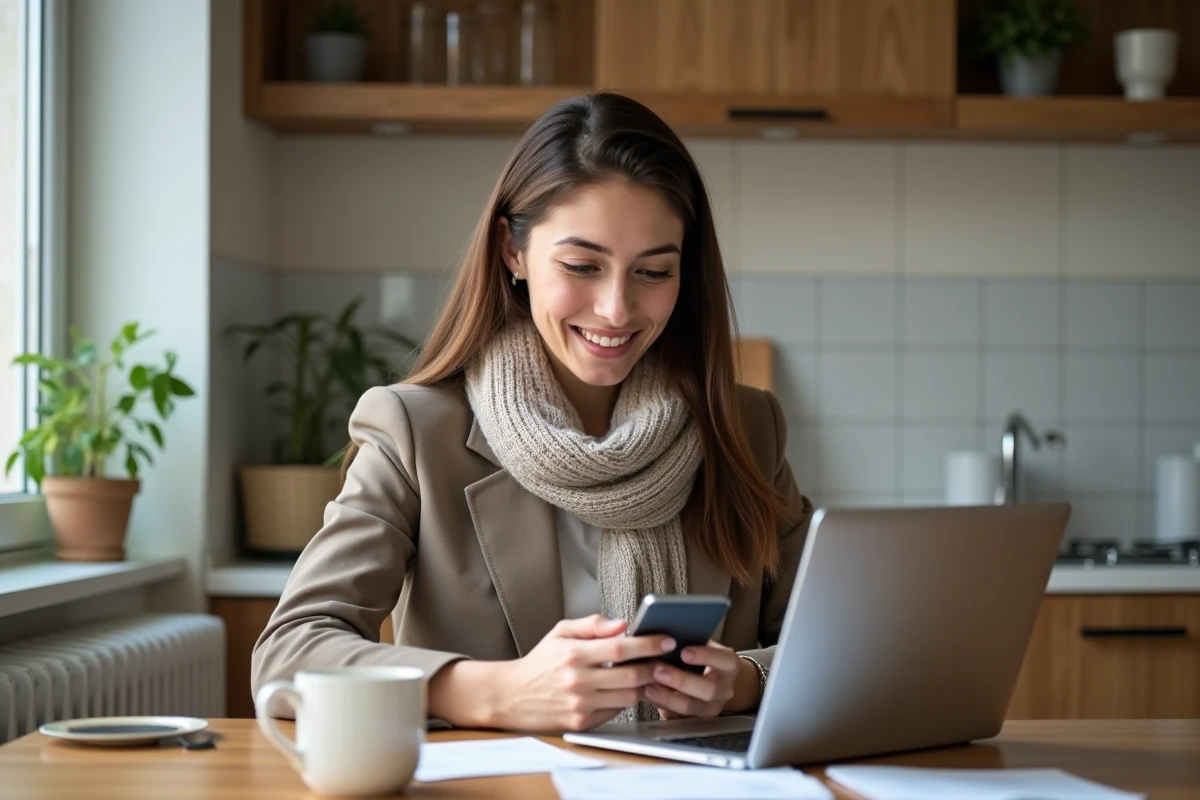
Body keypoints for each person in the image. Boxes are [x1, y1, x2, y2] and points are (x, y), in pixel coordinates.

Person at [251, 92, 813, 733]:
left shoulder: (746, 429)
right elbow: (288, 652)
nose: (616, 309)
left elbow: (841, 641)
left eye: (654, 272)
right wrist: (493, 692)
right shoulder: (414, 430)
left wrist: (747, 680)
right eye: (582, 265)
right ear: (512, 251)